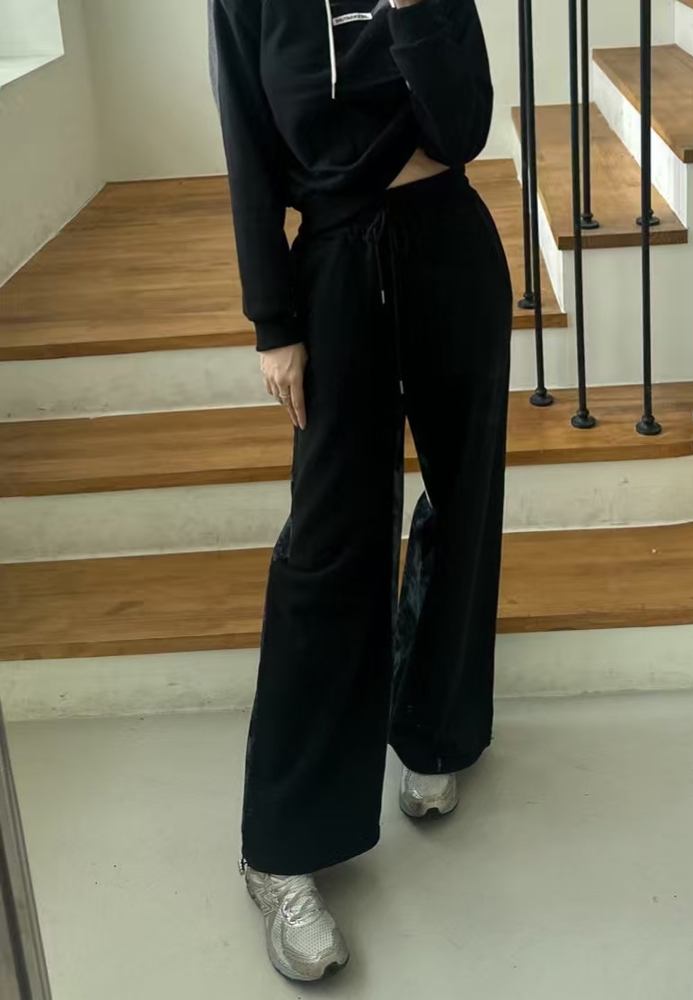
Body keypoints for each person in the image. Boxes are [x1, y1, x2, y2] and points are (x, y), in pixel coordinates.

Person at [210, 0, 512, 981]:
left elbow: (464, 127)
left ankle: (434, 729)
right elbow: (249, 147)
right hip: (336, 262)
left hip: (450, 245)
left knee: (463, 501)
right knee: (330, 541)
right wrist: (272, 320)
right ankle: (279, 848)